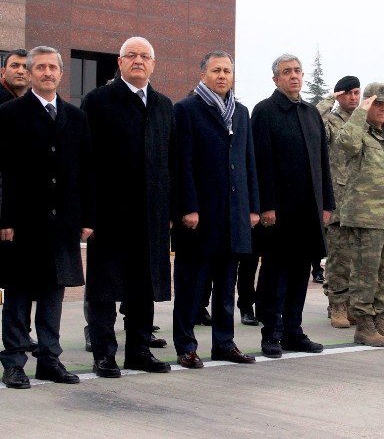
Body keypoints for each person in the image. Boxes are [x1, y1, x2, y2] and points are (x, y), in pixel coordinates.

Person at [0, 46, 93, 388]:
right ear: (32, 71)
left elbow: (86, 171)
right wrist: (4, 220)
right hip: (23, 223)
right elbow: (4, 171)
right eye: (40, 67)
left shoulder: (76, 116)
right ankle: (14, 362)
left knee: (53, 295)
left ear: (61, 73)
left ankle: (49, 360)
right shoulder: (10, 113)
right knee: (19, 295)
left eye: (53, 67)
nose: (47, 72)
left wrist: (86, 217)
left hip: (63, 224)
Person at [82, 36, 174, 377]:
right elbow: (87, 161)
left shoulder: (164, 106)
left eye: (145, 56)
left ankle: (138, 351)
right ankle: (104, 353)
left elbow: (171, 162)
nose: (138, 60)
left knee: (143, 287)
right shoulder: (98, 101)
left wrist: (170, 210)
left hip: (151, 214)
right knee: (105, 287)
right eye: (131, 55)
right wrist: (88, 211)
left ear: (153, 64)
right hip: (110, 213)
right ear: (119, 63)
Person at [172, 51, 260, 368]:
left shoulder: (241, 112)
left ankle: (224, 343)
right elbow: (182, 163)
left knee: (226, 287)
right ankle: (186, 346)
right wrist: (188, 207)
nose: (222, 75)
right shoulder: (186, 109)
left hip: (234, 214)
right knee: (191, 286)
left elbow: (248, 160)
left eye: (227, 71)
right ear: (203, 74)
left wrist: (252, 207)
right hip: (201, 215)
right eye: (216, 70)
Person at [251, 53, 335, 359]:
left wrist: (327, 202)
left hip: (307, 211)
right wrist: (267, 206)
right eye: (287, 72)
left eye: (297, 71)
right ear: (276, 79)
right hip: (278, 213)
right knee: (275, 274)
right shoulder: (265, 111)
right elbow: (261, 163)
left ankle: (293, 332)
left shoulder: (311, 113)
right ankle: (271, 333)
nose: (294, 76)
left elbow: (323, 162)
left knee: (300, 274)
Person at [337, 82, 384, 346]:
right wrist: (360, 111)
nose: (382, 109)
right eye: (376, 104)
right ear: (367, 104)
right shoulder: (357, 131)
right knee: (365, 275)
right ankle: (364, 325)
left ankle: (381, 321)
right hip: (365, 217)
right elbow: (345, 143)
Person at [316, 76, 361, 327]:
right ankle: (337, 305)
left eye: (357, 92)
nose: (353, 97)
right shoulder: (331, 121)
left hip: (363, 202)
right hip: (340, 201)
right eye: (347, 93)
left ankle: (354, 304)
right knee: (339, 259)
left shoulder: (363, 121)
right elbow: (313, 120)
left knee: (359, 260)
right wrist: (329, 100)